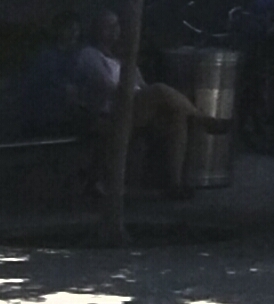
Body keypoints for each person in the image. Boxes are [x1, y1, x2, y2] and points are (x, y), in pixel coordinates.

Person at [66, 10, 196, 195]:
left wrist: (147, 97)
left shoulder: (124, 57)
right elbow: (109, 87)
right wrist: (145, 95)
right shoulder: (90, 55)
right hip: (110, 111)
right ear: (96, 30)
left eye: (116, 25)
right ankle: (201, 117)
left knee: (177, 116)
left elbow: (142, 84)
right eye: (108, 26)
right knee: (158, 89)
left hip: (136, 107)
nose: (114, 30)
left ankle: (174, 183)